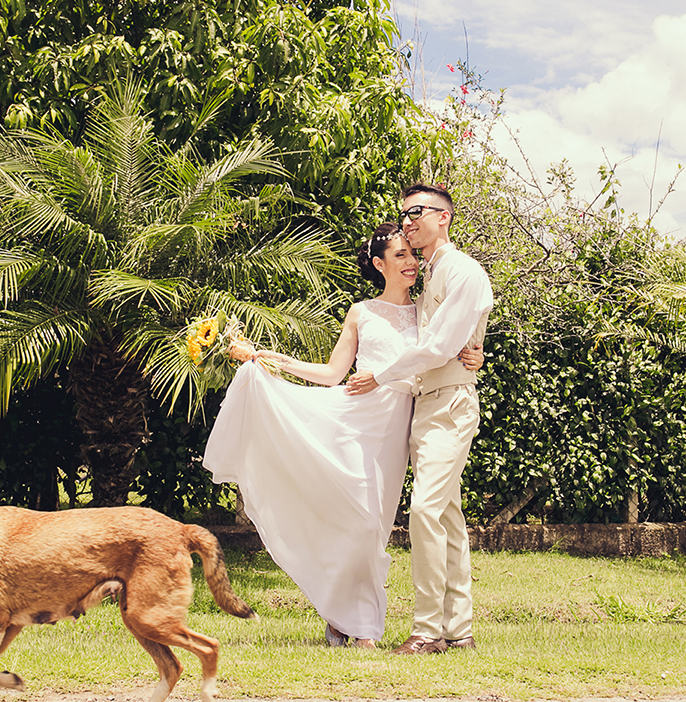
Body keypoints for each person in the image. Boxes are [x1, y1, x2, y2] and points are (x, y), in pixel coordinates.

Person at [202, 222, 482, 648]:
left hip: (397, 431)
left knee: (374, 527)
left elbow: (448, 341)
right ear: (378, 263)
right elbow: (334, 373)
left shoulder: (427, 309)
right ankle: (356, 624)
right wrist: (275, 361)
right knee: (359, 523)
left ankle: (347, 620)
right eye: (401, 255)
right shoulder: (361, 312)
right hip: (355, 422)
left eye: (412, 253)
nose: (411, 262)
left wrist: (475, 351)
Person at [345, 183, 494, 655]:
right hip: (428, 404)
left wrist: (381, 375)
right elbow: (448, 338)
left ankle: (428, 630)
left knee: (427, 510)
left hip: (449, 401)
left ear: (443, 217)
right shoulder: (433, 273)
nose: (408, 221)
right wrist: (475, 348)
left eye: (416, 213)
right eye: (404, 215)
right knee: (447, 516)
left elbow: (437, 347)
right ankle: (460, 630)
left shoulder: (463, 271)